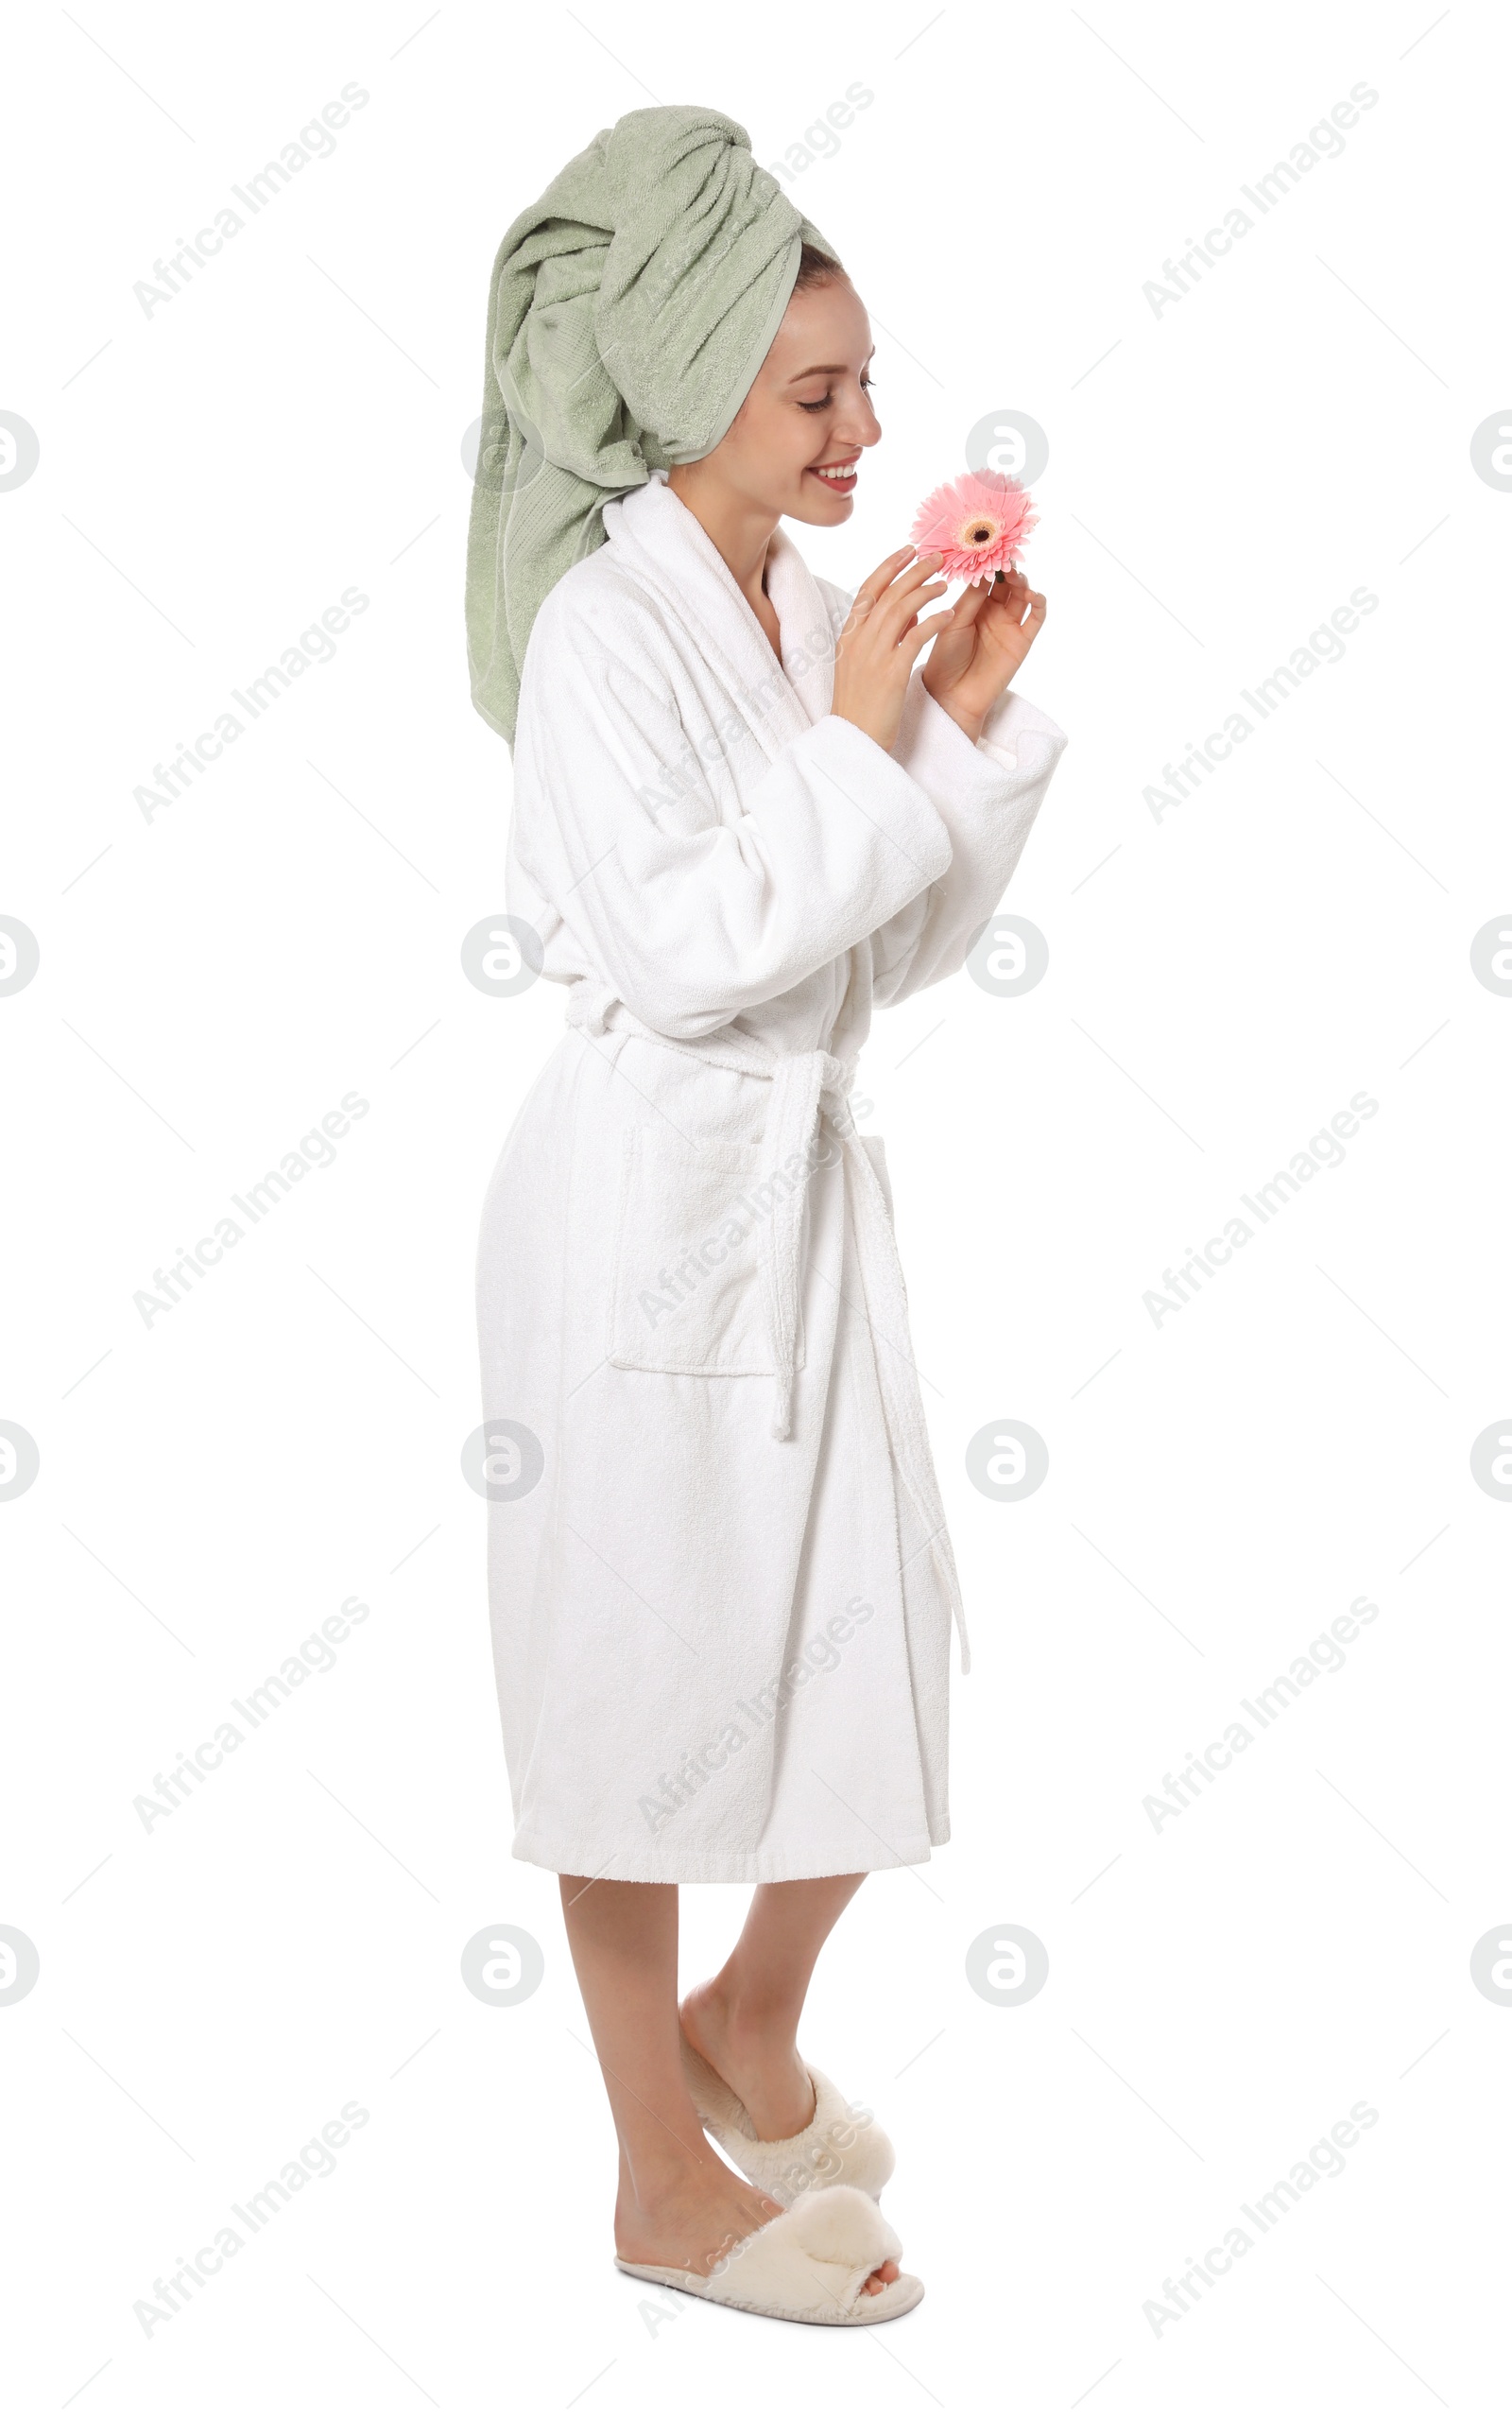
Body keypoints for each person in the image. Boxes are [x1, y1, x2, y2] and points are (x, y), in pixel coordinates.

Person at [466, 104, 1067, 2324]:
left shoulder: (806, 607)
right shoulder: (595, 634)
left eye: (865, 385)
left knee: (864, 1641)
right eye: (817, 391)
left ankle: (752, 2015)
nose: (864, 429)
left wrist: (954, 747)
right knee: (631, 1692)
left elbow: (861, 952)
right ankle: (651, 2171)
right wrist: (860, 745)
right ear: (698, 375)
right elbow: (695, 945)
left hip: (795, 1195)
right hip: (642, 1211)